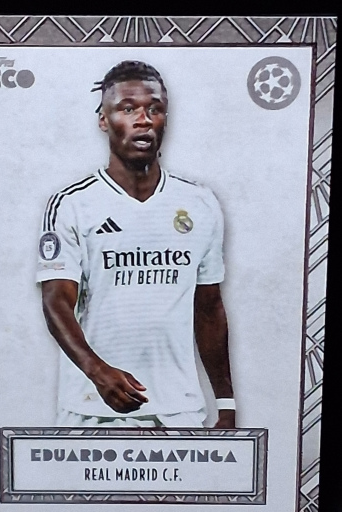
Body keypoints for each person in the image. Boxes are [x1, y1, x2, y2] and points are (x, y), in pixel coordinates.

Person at [37, 60, 236, 429]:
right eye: (128, 109)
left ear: (165, 119)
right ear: (104, 120)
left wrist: (225, 403)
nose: (143, 120)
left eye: (154, 109)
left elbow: (208, 307)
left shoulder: (200, 203)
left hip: (178, 410)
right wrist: (97, 371)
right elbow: (56, 300)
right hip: (92, 408)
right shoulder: (73, 204)